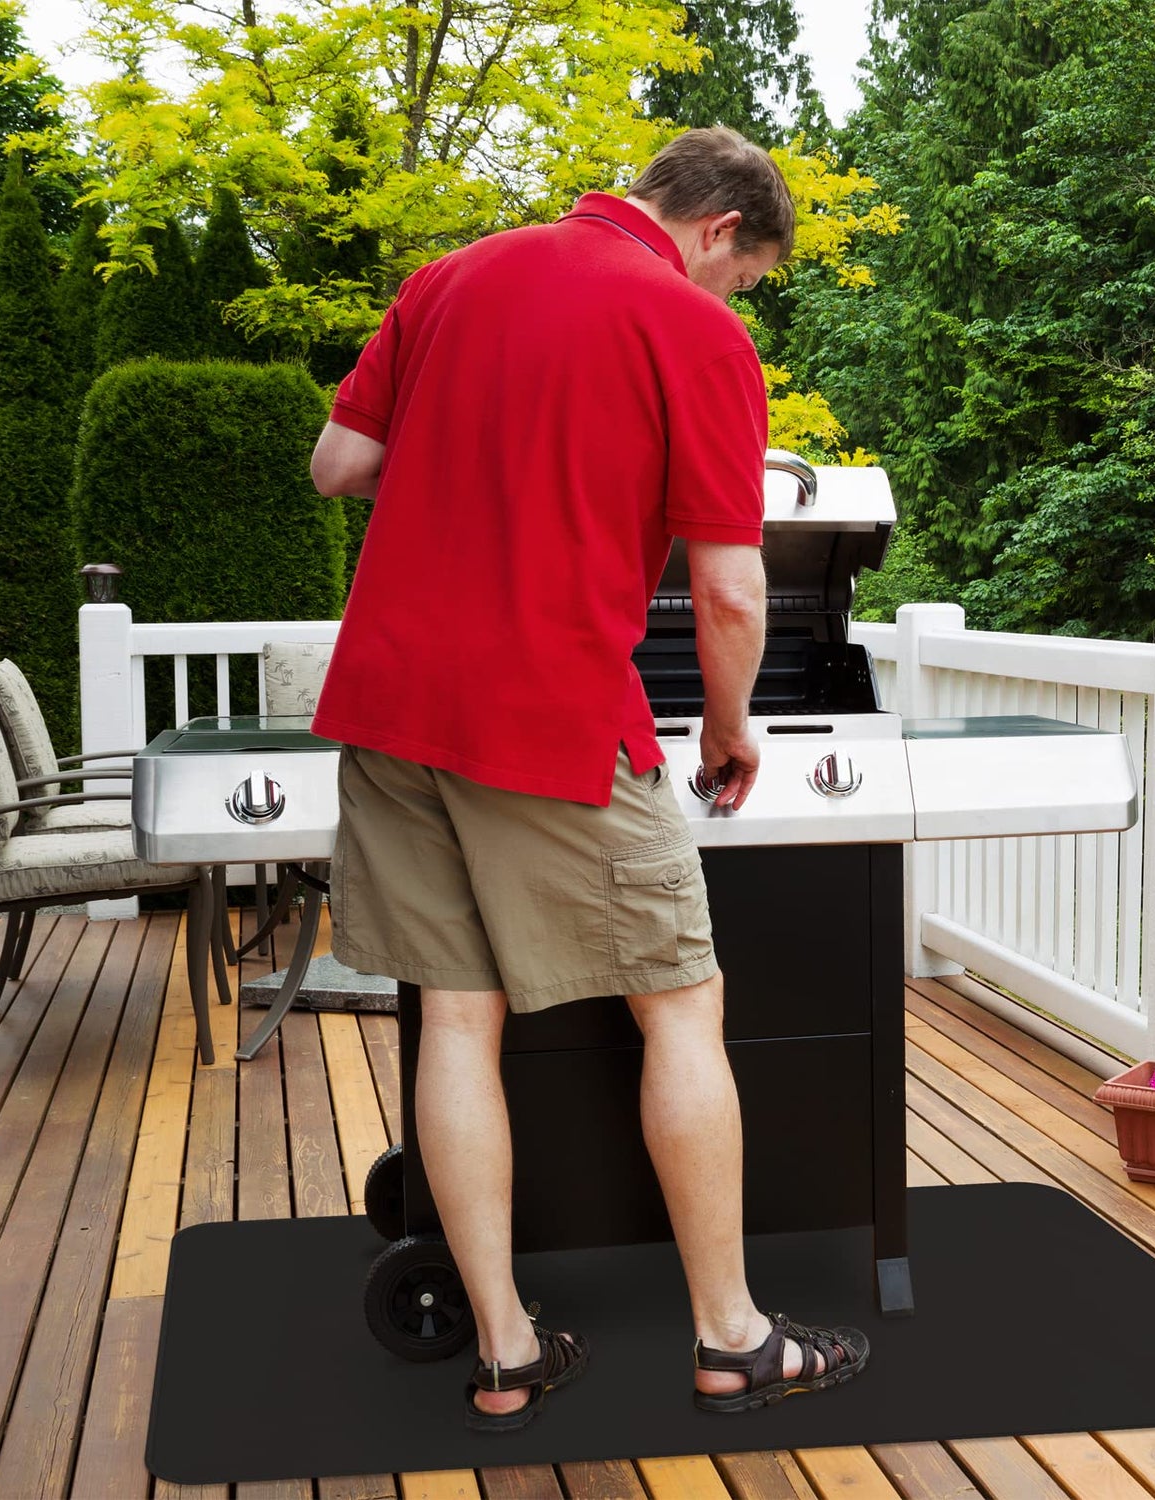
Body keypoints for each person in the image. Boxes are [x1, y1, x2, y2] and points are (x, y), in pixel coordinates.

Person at [308, 126, 869, 1432]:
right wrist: (728, 730)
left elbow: (339, 466)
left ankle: (506, 1351)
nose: (735, 299)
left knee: (458, 1017)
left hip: (394, 703)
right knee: (681, 1005)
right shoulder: (694, 331)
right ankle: (733, 1339)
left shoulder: (449, 278)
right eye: (743, 277)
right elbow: (731, 589)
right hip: (550, 713)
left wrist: (471, 465)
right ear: (719, 229)